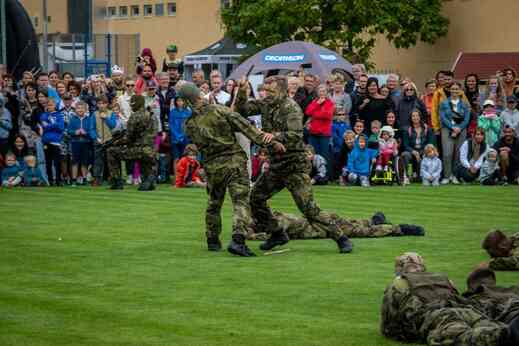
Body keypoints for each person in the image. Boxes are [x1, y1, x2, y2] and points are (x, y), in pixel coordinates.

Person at [235, 75, 354, 254]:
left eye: (271, 91)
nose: (266, 94)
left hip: (294, 165)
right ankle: (276, 233)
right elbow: (241, 110)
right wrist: (242, 91)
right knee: (255, 198)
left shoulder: (291, 108)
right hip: (276, 165)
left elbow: (295, 135)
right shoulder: (266, 103)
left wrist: (275, 136)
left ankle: (341, 237)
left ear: (282, 90)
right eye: (265, 90)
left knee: (308, 208)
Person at [178, 82, 279, 257]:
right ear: (199, 94)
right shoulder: (219, 110)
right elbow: (246, 128)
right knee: (241, 201)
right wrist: (271, 142)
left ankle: (212, 240)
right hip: (233, 161)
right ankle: (238, 240)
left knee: (214, 203)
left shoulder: (189, 124)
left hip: (212, 166)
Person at [381, 252, 518, 345]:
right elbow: (456, 296)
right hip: (464, 308)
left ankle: (505, 335)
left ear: (399, 268)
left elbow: (390, 321)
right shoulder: (443, 279)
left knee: (458, 336)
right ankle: (508, 331)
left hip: (437, 316)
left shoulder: (398, 283)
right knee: (488, 324)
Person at [249, 211, 424, 240]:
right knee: (352, 224)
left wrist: (252, 236)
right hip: (318, 219)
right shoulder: (277, 216)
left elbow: (275, 233)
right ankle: (375, 221)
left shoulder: (278, 222)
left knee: (360, 231)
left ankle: (397, 228)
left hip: (320, 226)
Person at [106, 94, 158, 191]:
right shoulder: (152, 115)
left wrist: (115, 142)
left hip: (138, 149)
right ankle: (148, 180)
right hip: (150, 149)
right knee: (146, 159)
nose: (130, 105)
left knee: (111, 151)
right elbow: (155, 133)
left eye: (132, 103)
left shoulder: (134, 117)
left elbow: (128, 138)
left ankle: (117, 182)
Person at [440, 82, 471, 185]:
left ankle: (455, 176)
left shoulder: (464, 104)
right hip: (447, 130)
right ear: (449, 90)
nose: (454, 91)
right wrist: (452, 127)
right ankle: (446, 176)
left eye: (457, 89)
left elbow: (467, 119)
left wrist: (459, 128)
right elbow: (443, 117)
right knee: (447, 154)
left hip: (461, 131)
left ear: (460, 90)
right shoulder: (444, 103)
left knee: (458, 154)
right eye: (453, 89)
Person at [305, 84, 334, 173]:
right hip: (313, 133)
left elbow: (327, 115)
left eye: (324, 91)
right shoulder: (314, 102)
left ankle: (325, 175)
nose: (322, 93)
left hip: (324, 133)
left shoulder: (330, 103)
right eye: (320, 91)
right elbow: (307, 112)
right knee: (312, 154)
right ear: (317, 92)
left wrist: (315, 113)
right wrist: (317, 105)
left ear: (327, 92)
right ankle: (313, 174)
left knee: (324, 155)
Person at [401, 109, 435, 184]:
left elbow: (430, 143)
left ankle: (420, 175)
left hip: (424, 151)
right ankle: (406, 176)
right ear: (410, 118)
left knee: (419, 179)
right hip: (412, 151)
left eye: (417, 115)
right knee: (405, 154)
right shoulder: (407, 130)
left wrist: (425, 152)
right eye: (413, 116)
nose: (415, 117)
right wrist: (414, 152)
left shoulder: (427, 128)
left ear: (420, 117)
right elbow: (405, 145)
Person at [92, 96, 118, 186]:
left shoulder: (111, 113)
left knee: (110, 160)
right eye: (99, 103)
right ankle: (96, 178)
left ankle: (111, 177)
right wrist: (96, 138)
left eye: (103, 103)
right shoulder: (94, 114)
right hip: (98, 141)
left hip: (109, 140)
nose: (101, 105)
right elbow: (91, 129)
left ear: (107, 104)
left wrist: (106, 118)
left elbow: (113, 126)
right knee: (97, 160)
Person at [67, 101, 95, 186]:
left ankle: (84, 179)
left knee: (84, 162)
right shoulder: (72, 119)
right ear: (75, 110)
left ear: (85, 109)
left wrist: (85, 132)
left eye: (82, 108)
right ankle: (74, 180)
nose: (80, 110)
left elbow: (91, 130)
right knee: (75, 162)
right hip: (75, 142)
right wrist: (75, 132)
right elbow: (68, 130)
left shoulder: (89, 119)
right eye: (78, 108)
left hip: (85, 142)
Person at [40, 98, 65, 186]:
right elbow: (44, 127)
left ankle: (58, 180)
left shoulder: (59, 115)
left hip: (56, 142)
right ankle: (50, 180)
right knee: (48, 162)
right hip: (46, 141)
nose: (49, 106)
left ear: (55, 105)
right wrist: (55, 125)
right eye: (48, 105)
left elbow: (61, 127)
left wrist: (51, 124)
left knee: (57, 162)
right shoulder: (43, 115)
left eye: (51, 105)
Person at [168, 96, 192, 170]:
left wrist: (183, 135)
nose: (180, 102)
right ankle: (176, 178)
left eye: (182, 101)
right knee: (176, 158)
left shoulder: (188, 112)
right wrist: (177, 136)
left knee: (185, 158)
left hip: (185, 138)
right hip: (175, 139)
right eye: (178, 101)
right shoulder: (172, 112)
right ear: (175, 102)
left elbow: (189, 125)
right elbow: (171, 125)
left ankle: (184, 176)